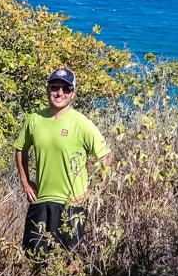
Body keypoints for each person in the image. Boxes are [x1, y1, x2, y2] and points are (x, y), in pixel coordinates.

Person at [14, 68, 113, 253]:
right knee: (35, 257)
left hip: (72, 204)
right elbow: (21, 148)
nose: (60, 93)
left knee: (70, 261)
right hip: (41, 200)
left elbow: (107, 156)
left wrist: (94, 191)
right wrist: (25, 182)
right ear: (48, 89)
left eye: (66, 89)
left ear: (73, 94)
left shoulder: (81, 123)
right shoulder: (34, 120)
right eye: (55, 87)